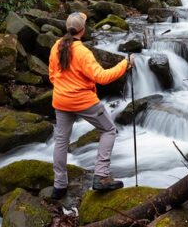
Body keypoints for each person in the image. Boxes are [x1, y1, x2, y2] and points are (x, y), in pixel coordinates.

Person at [48, 11, 134, 200]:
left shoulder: (56, 46)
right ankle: (101, 175)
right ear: (83, 29)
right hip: (83, 100)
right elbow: (102, 78)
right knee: (109, 130)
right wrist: (124, 64)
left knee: (61, 140)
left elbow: (52, 76)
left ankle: (59, 186)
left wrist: (65, 89)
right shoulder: (83, 52)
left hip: (61, 99)